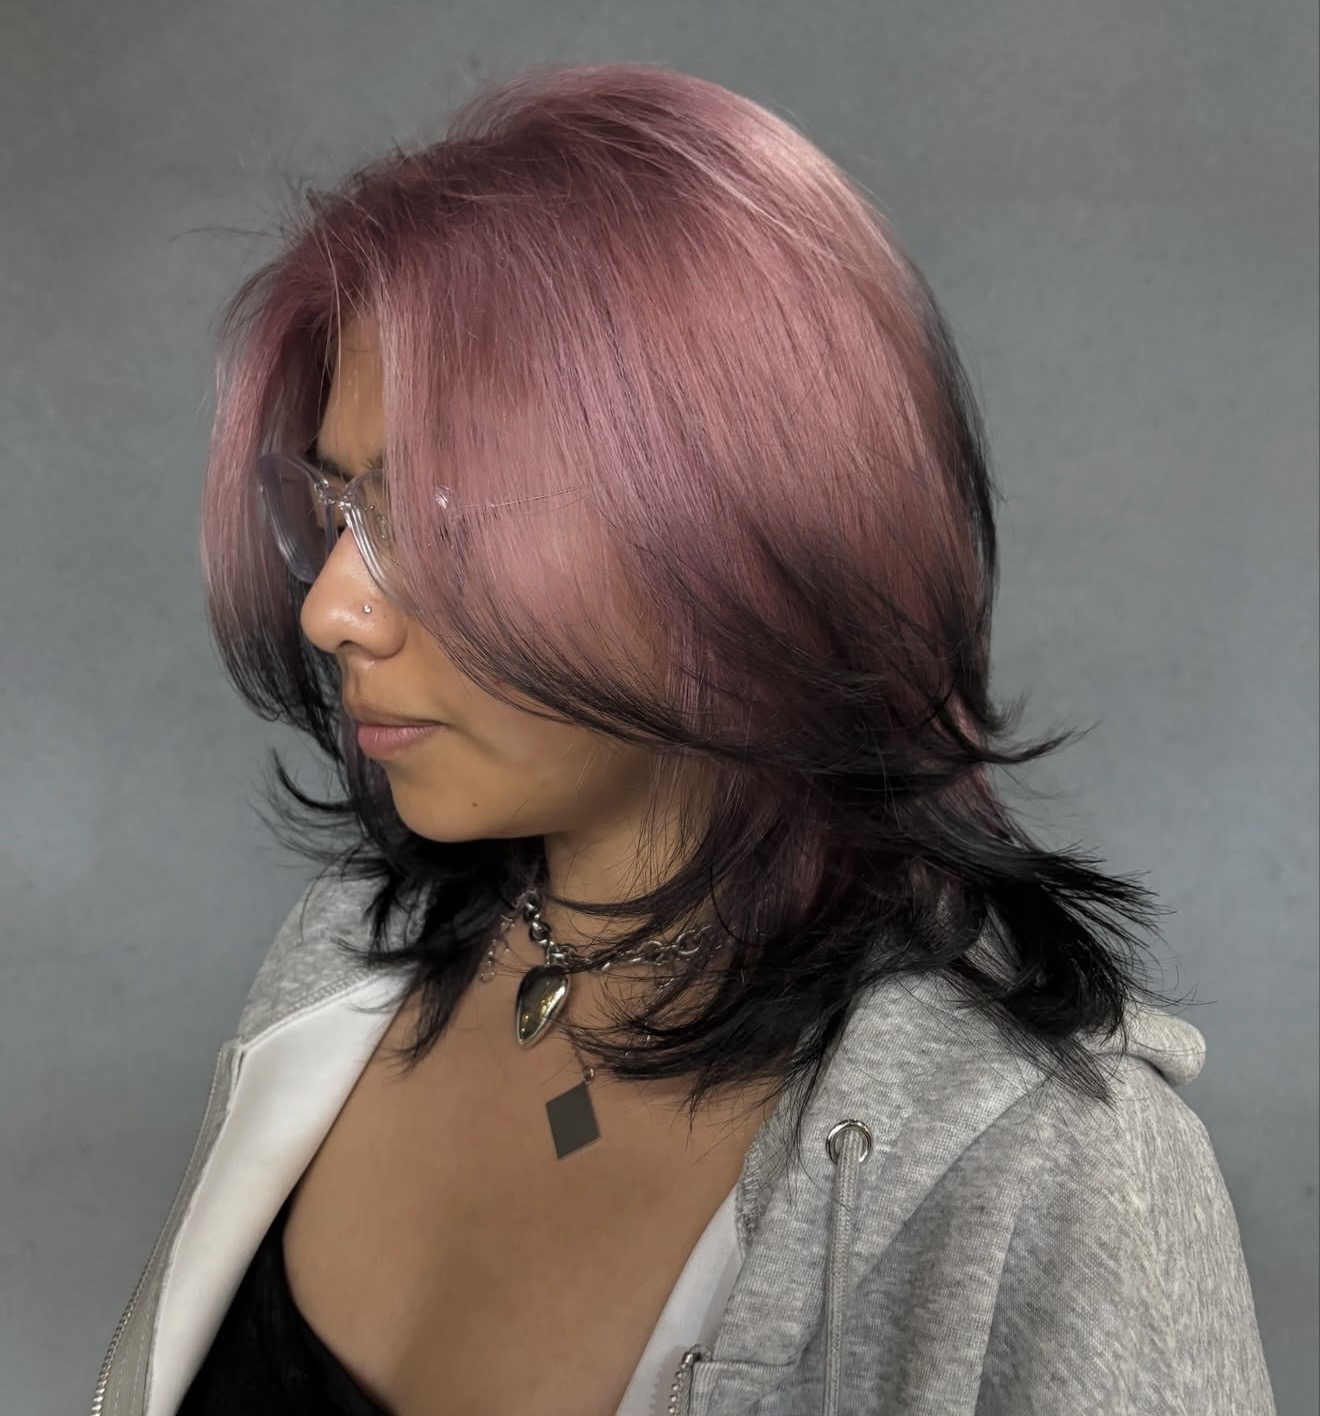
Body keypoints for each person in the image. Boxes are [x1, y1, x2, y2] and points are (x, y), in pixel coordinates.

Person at [90, 61, 1276, 1416]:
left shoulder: (1047, 1172)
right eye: (338, 506)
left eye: (439, 512)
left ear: (737, 537)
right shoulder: (340, 965)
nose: (330, 608)